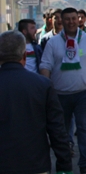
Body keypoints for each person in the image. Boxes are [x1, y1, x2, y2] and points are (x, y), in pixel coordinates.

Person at [0, 30, 73, 174]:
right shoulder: (42, 85)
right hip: (34, 163)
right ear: (24, 55)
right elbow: (57, 129)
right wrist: (64, 164)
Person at [40, 7, 86, 174]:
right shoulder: (53, 42)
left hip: (83, 92)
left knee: (83, 128)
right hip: (60, 94)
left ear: (79, 20)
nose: (71, 22)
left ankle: (85, 165)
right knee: (61, 132)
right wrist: (46, 90)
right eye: (67, 19)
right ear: (61, 20)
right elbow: (45, 66)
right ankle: (64, 165)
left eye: (74, 18)